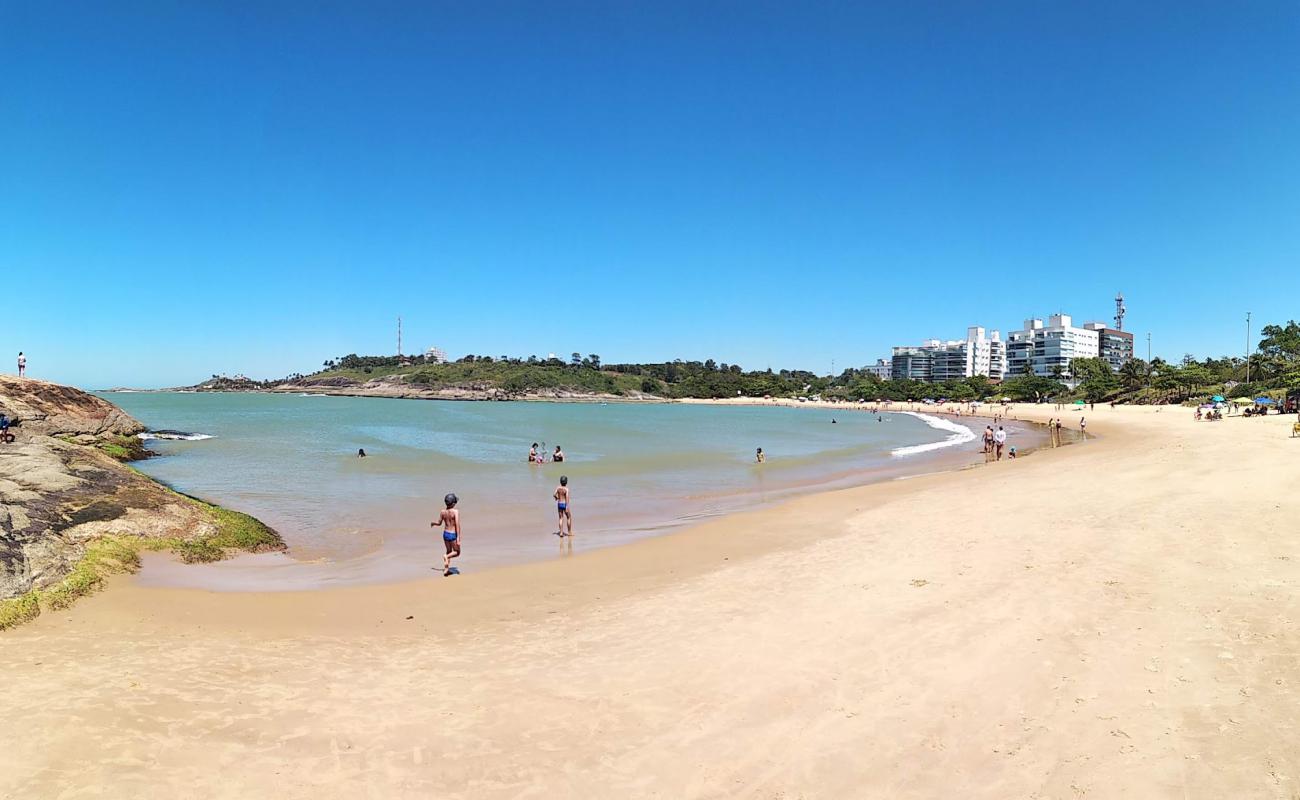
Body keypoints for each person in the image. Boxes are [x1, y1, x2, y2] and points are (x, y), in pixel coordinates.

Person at [432, 493, 461, 576]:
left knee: (449, 551)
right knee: (457, 552)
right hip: (452, 534)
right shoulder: (455, 511)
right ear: (453, 503)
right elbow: (457, 525)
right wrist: (458, 538)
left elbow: (439, 523)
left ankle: (446, 570)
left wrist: (434, 524)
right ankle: (446, 557)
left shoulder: (442, 512)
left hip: (445, 534)